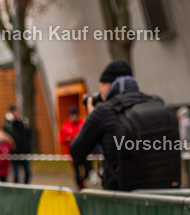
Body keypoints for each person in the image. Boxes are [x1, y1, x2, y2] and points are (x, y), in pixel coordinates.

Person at [69, 59, 180, 191]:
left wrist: (92, 119)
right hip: (165, 193)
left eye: (101, 88)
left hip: (123, 198)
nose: (100, 95)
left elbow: (76, 152)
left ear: (109, 85)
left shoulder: (103, 112)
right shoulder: (156, 103)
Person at [59, 106, 89, 189]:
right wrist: (67, 139)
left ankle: (83, 182)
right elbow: (61, 139)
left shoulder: (82, 124)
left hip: (84, 153)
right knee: (77, 173)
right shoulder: (66, 126)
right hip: (73, 155)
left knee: (87, 170)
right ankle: (80, 187)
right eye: (72, 116)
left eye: (75, 115)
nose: (73, 117)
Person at [3, 105, 32, 184]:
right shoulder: (9, 125)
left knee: (28, 172)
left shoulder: (23, 123)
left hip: (24, 152)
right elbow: (4, 132)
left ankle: (26, 187)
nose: (17, 114)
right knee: (16, 175)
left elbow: (28, 135)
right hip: (15, 153)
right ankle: (16, 188)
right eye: (15, 112)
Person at [177, 106, 190, 187]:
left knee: (186, 168)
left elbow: (183, 136)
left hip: (185, 148)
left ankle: (189, 184)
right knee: (188, 168)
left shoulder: (184, 123)